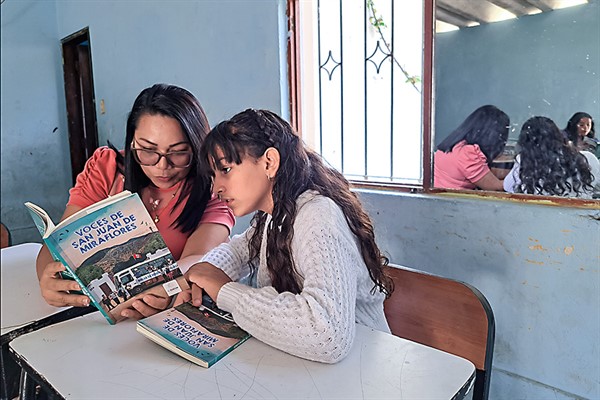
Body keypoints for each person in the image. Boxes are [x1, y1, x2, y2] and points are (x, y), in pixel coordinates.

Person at [175, 109, 394, 364]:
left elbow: (328, 335)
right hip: (306, 367)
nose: (216, 190)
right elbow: (238, 249)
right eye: (213, 176)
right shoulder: (276, 214)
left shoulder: (317, 216)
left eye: (225, 170)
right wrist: (200, 276)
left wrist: (225, 290)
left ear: (269, 162)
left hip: (363, 370)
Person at [36, 84, 235, 319]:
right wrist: (48, 280)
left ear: (197, 146)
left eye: (179, 152)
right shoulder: (107, 168)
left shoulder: (216, 188)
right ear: (132, 144)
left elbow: (198, 261)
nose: (162, 166)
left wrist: (164, 293)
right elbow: (58, 245)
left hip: (161, 320)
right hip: (88, 322)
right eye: (148, 150)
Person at [504, 116, 599, 198]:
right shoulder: (589, 159)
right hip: (583, 216)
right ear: (559, 136)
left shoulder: (524, 161)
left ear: (525, 143)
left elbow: (507, 187)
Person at [434, 105, 510, 191]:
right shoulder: (468, 154)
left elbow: (485, 173)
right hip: (454, 201)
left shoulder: (455, 144)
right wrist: (521, 180)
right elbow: (495, 187)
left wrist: (514, 173)